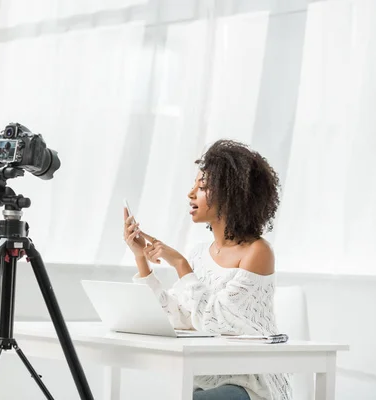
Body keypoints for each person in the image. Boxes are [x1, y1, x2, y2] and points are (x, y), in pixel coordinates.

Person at [123, 139, 291, 400]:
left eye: (202, 187)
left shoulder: (257, 252)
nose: (191, 194)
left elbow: (218, 321)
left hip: (250, 386)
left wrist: (180, 264)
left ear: (231, 195)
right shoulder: (200, 254)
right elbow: (178, 318)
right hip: (203, 383)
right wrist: (140, 259)